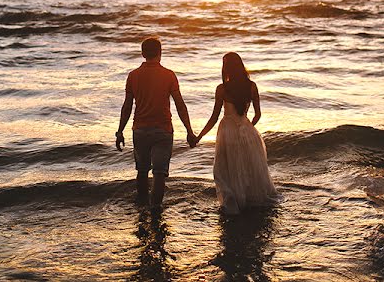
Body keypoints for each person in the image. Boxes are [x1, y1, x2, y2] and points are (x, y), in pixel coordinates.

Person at [116, 37, 197, 207]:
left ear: (143, 54)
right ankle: (155, 210)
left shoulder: (133, 76)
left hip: (140, 130)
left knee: (142, 171)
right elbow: (180, 105)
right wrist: (189, 131)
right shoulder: (169, 75)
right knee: (160, 174)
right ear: (160, 53)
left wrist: (120, 131)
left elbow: (127, 106)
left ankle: (142, 207)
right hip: (163, 130)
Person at [196, 52, 277, 214]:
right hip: (249, 132)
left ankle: (233, 203)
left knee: (225, 170)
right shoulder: (252, 86)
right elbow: (258, 114)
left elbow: (213, 117)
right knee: (248, 169)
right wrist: (246, 128)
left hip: (227, 133)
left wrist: (199, 136)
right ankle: (250, 202)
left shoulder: (222, 89)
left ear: (226, 68)